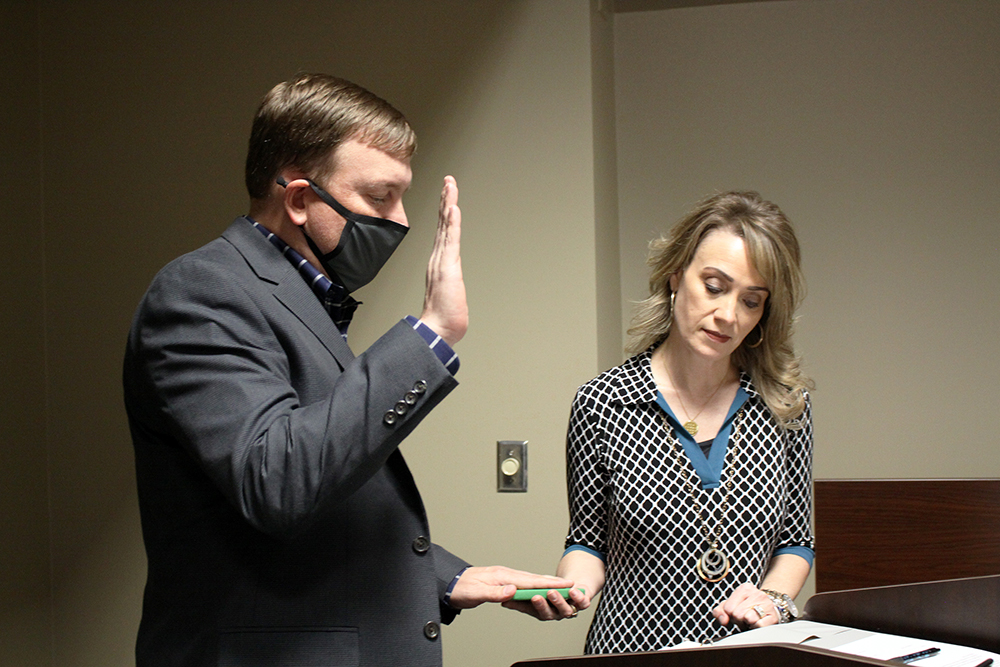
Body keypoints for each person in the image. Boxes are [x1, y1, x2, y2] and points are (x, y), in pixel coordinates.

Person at [123, 73, 570, 667]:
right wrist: (431, 333)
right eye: (380, 197)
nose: (402, 221)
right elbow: (277, 480)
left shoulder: (305, 299)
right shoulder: (200, 293)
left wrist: (444, 576)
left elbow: (321, 491)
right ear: (302, 200)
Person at [510, 191, 814, 652]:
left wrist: (772, 600)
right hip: (629, 651)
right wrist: (573, 589)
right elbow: (588, 543)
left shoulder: (785, 405)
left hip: (745, 654)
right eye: (714, 286)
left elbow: (796, 540)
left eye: (751, 301)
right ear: (676, 276)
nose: (729, 315)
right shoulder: (603, 402)